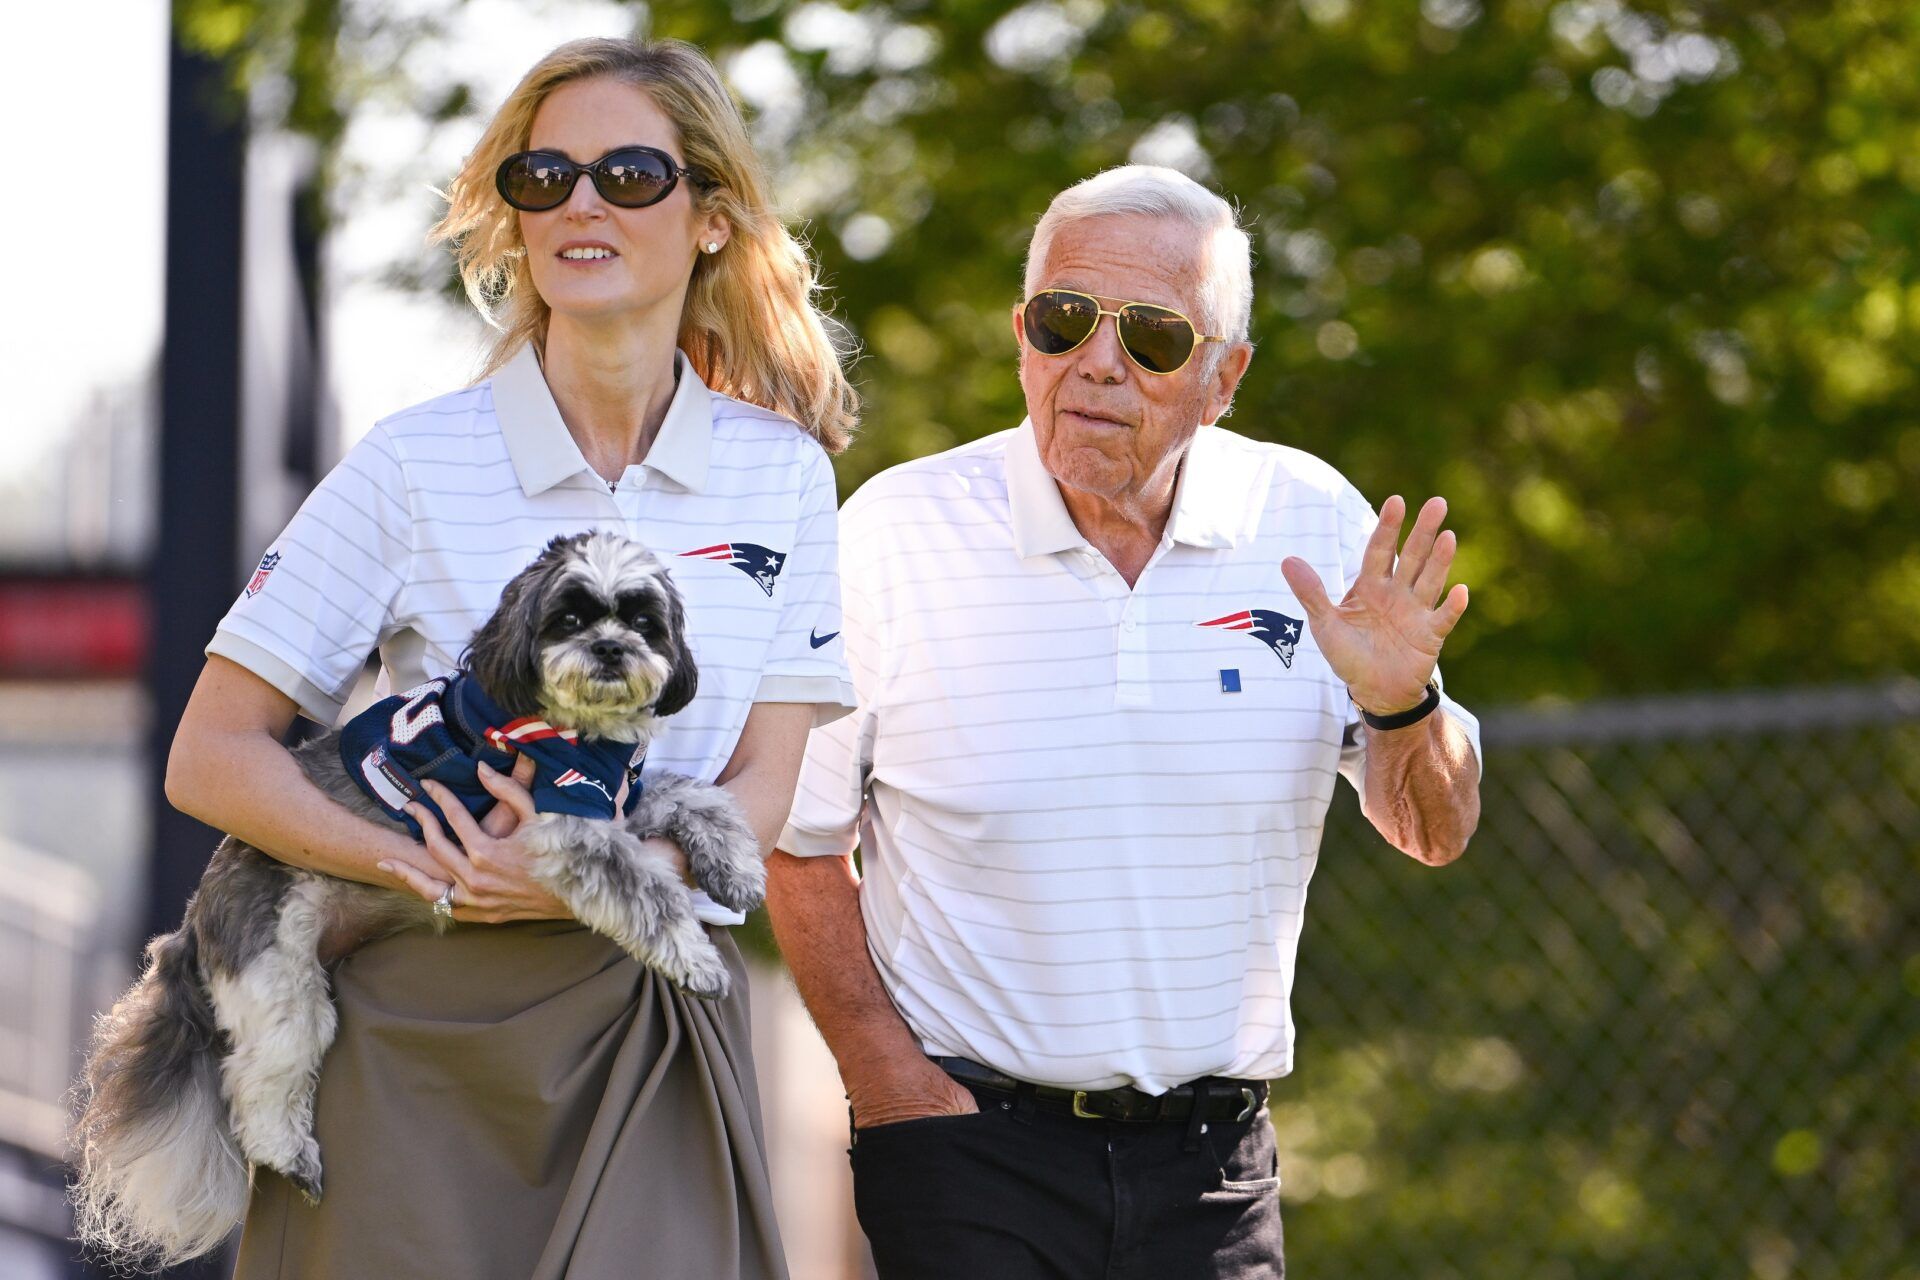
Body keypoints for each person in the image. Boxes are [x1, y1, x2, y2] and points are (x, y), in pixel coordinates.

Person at [165, 37, 854, 1279]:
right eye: (546, 178)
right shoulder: (411, 459)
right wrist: (425, 865)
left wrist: (619, 871)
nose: (583, 203)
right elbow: (211, 756)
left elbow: (770, 782)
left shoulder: (784, 473)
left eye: (630, 173)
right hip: (417, 1032)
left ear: (708, 216)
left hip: (653, 1010)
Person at [770, 165, 1482, 1280]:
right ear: (1022, 335)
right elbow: (796, 838)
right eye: (1064, 321)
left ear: (1223, 376)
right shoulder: (893, 535)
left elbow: (1432, 828)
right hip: (970, 1152)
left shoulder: (1313, 522)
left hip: (1214, 1166)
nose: (1097, 362)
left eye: (1153, 337)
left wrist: (1403, 701)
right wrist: (893, 1085)